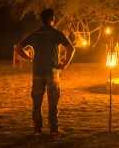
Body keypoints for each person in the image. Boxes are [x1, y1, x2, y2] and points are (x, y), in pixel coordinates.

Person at [16, 8, 75, 136]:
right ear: (52, 19)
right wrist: (65, 63)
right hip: (52, 71)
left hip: (37, 72)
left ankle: (37, 129)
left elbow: (18, 47)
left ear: (42, 20)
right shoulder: (56, 33)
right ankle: (54, 129)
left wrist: (28, 57)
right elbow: (71, 48)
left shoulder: (35, 34)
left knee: (36, 102)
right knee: (53, 102)